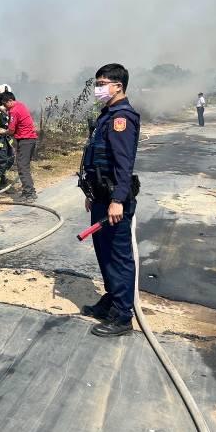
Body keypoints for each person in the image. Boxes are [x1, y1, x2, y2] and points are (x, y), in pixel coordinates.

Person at [78, 63, 141, 337]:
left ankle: (122, 315)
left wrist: (117, 200)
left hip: (114, 200)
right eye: (98, 83)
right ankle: (112, 298)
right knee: (103, 252)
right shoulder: (107, 115)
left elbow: (124, 164)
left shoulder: (122, 118)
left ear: (119, 86)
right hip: (100, 196)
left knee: (118, 255)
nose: (98, 89)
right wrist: (92, 195)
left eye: (103, 83)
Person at [0, 91, 39, 202]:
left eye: (5, 103)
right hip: (30, 140)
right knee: (24, 166)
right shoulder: (20, 105)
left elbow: (11, 130)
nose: (5, 106)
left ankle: (30, 194)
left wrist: (3, 131)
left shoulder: (14, 111)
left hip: (25, 141)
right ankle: (28, 192)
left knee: (22, 167)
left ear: (10, 101)